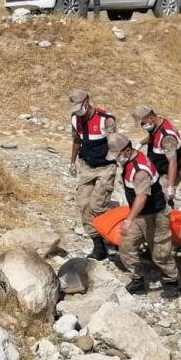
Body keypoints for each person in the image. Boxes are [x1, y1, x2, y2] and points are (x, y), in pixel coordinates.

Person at [107, 133, 181, 298]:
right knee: (126, 246)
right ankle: (138, 279)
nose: (116, 160)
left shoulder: (140, 171)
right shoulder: (130, 160)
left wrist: (128, 219)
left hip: (156, 216)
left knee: (161, 253)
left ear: (126, 151)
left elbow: (142, 197)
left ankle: (172, 281)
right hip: (140, 216)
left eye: (117, 155)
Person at [68, 89, 117, 259]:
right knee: (83, 205)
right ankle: (98, 246)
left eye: (79, 106)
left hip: (106, 167)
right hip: (87, 165)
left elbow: (115, 143)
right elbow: (76, 140)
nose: (78, 111)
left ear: (87, 102)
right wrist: (72, 161)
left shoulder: (106, 119)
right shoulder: (75, 119)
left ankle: (112, 237)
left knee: (97, 206)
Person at [134, 106, 181, 200]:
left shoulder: (167, 138)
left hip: (166, 176)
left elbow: (172, 162)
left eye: (143, 123)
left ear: (151, 118)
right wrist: (140, 144)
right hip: (158, 172)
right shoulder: (159, 124)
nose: (143, 127)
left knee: (161, 204)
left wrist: (170, 187)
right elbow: (154, 136)